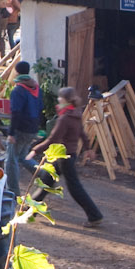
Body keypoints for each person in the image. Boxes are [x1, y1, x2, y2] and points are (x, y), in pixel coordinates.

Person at [27, 87, 104, 227]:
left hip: (63, 156)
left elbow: (52, 139)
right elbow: (82, 134)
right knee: (46, 182)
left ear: (65, 100)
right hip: (68, 155)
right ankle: (30, 210)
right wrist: (88, 149)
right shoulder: (75, 114)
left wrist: (35, 150)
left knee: (74, 188)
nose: (58, 100)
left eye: (60, 98)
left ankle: (95, 216)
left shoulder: (65, 118)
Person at [5, 61, 42, 194]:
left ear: (16, 72)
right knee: (23, 157)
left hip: (21, 129)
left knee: (11, 160)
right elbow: (40, 108)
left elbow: (16, 112)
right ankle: (44, 174)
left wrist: (11, 133)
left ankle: (13, 191)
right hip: (33, 128)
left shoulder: (18, 90)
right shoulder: (36, 88)